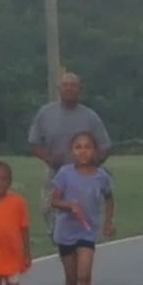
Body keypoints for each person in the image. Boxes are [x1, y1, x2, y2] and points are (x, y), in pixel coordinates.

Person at [50, 132, 115, 285]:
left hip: (87, 232)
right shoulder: (65, 173)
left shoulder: (101, 176)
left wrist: (108, 221)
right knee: (71, 279)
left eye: (87, 146)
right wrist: (69, 205)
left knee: (84, 276)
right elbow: (54, 201)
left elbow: (109, 198)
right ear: (72, 151)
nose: (83, 151)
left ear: (95, 151)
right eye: (78, 147)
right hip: (66, 232)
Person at [28, 73, 112, 238]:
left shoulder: (90, 117)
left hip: (83, 176)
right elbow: (34, 143)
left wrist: (92, 164)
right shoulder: (46, 113)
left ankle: (82, 242)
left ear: (80, 89)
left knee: (80, 214)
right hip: (56, 173)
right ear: (58, 89)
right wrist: (49, 158)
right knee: (49, 211)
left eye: (73, 85)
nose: (69, 89)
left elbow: (106, 147)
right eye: (65, 85)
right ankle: (58, 240)